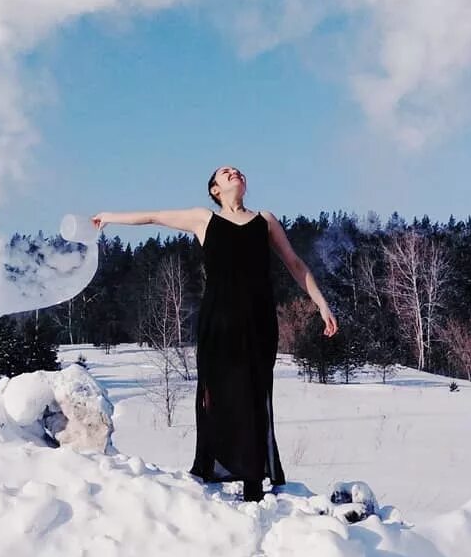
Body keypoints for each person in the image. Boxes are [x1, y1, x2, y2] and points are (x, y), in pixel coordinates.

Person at [91, 166, 337, 501]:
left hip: (258, 319)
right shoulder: (203, 219)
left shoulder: (265, 220)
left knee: (254, 392)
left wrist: (321, 304)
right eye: (226, 172)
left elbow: (295, 263)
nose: (235, 174)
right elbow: (155, 217)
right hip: (218, 320)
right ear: (215, 189)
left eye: (238, 171)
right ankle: (207, 467)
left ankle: (253, 480)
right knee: (217, 392)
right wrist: (109, 217)